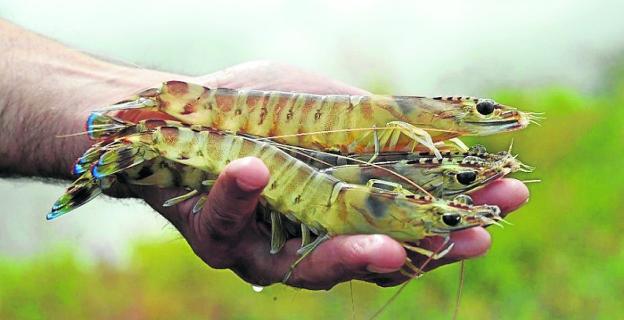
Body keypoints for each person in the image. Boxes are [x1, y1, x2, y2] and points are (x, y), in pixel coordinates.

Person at [0, 19, 529, 290]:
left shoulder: (400, 134)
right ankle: (135, 136)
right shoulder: (388, 122)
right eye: (477, 111)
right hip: (219, 128)